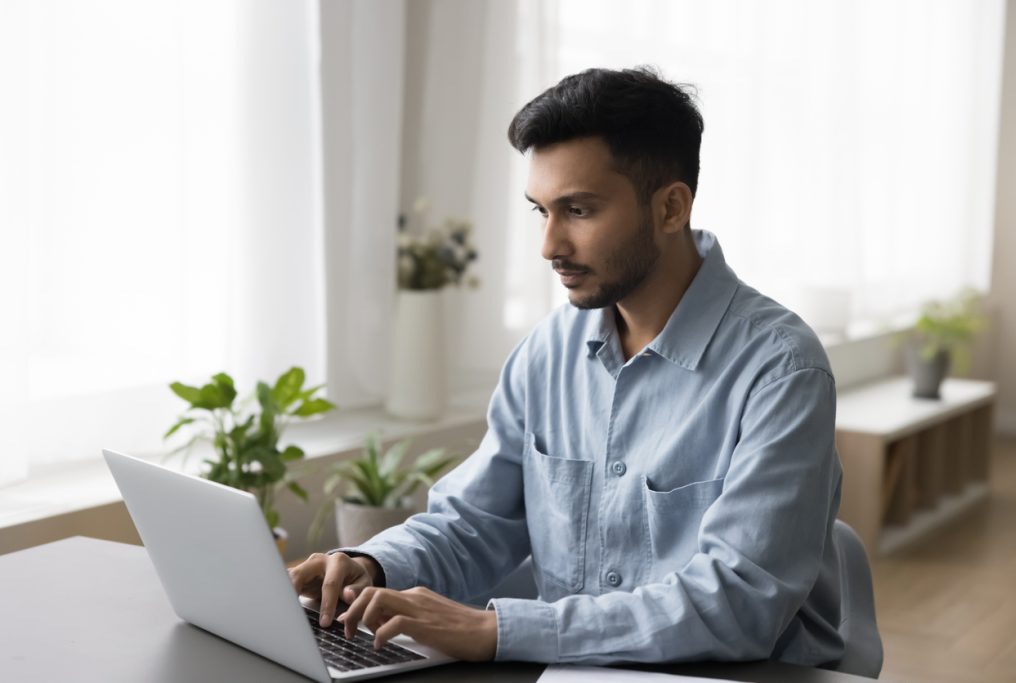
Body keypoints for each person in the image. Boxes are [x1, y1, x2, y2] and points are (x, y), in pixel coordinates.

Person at [289, 66, 851, 667]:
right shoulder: (548, 352)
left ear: (670, 208)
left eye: (578, 211)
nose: (549, 245)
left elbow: (738, 604)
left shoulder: (782, 369)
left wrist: (497, 631)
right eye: (541, 211)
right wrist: (372, 563)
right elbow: (475, 520)